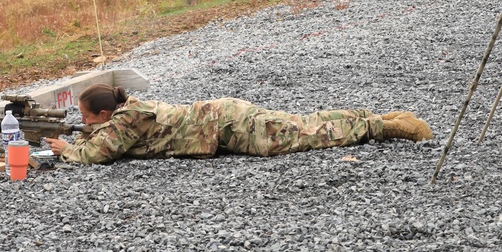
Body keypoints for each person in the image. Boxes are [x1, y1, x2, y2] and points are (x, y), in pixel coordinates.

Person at [44, 84, 434, 164]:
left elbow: (99, 153)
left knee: (305, 135)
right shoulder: (129, 110)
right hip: (225, 117)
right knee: (303, 123)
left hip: (229, 128)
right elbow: (107, 136)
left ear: (105, 116)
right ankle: (381, 117)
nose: (83, 123)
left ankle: (389, 128)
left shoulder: (126, 119)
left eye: (86, 118)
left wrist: (67, 151)